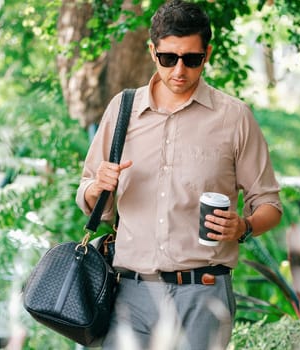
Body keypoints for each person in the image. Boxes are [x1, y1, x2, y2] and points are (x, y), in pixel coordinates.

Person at [76, 1, 282, 349]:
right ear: (153, 51)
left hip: (203, 295)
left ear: (207, 53)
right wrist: (97, 187)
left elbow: (270, 204)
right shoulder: (123, 111)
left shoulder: (234, 118)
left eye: (192, 59)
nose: (180, 71)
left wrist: (243, 227)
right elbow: (87, 195)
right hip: (130, 295)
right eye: (169, 58)